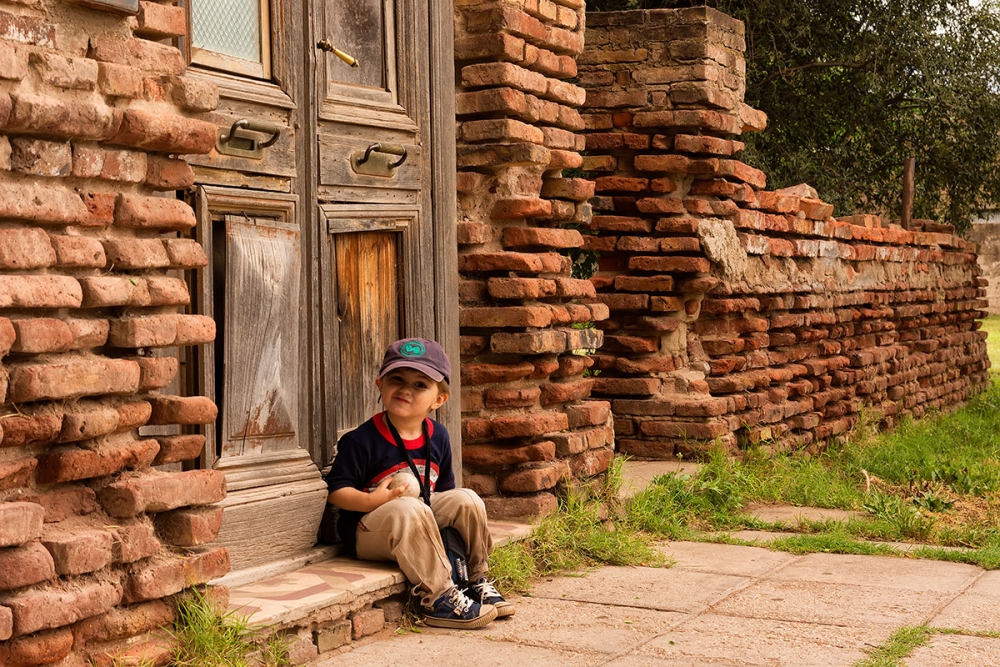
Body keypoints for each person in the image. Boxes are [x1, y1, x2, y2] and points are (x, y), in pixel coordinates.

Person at [325, 337, 514, 629]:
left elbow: (444, 496)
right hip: (368, 530)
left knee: (467, 499)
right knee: (408, 504)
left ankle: (475, 579)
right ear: (380, 385)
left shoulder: (438, 436)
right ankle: (439, 597)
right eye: (396, 379)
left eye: (420, 385)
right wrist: (373, 501)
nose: (405, 389)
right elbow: (337, 492)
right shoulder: (361, 440)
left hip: (417, 518)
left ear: (439, 400)